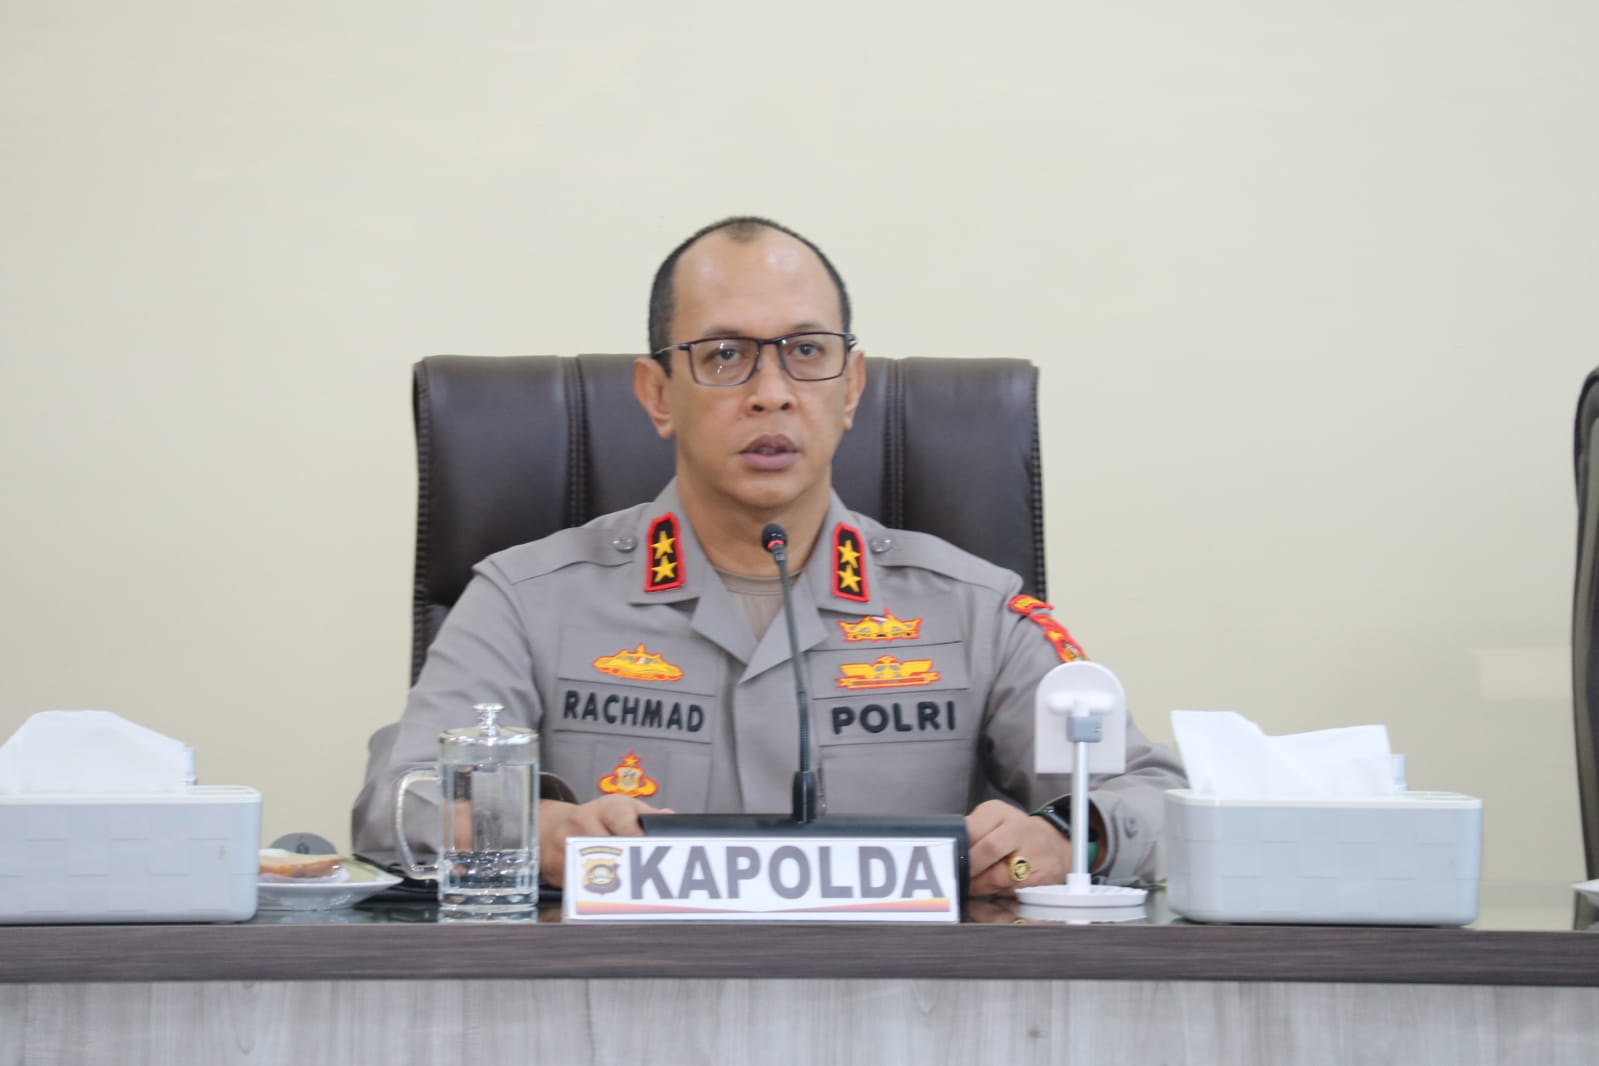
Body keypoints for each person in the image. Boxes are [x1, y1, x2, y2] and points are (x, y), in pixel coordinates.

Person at [352, 216, 1185, 895]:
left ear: (850, 388)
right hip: (614, 1005)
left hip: (903, 1012)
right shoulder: (527, 598)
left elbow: (1158, 801)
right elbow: (397, 803)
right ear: (656, 395)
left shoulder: (973, 609)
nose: (772, 392)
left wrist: (1065, 839)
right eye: (724, 356)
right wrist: (538, 833)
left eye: (807, 352)